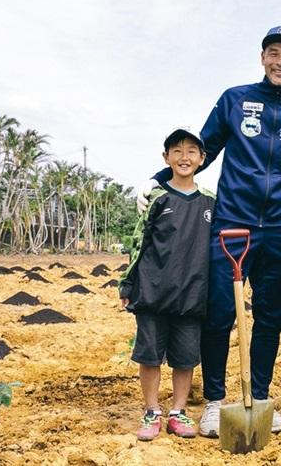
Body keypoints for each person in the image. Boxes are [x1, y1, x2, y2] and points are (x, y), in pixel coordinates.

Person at [136, 25, 281, 436]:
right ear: (262, 57)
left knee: (271, 318)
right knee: (219, 313)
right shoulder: (235, 99)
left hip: (277, 228)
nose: (280, 61)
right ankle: (216, 403)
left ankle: (258, 397)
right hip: (230, 224)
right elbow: (199, 152)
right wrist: (159, 182)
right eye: (273, 52)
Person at [119, 128, 215, 441]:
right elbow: (138, 243)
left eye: (191, 152)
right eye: (176, 151)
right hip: (153, 292)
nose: (183, 157)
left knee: (185, 358)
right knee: (149, 355)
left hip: (192, 294)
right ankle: (151, 411)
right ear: (166, 158)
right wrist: (127, 285)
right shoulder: (156, 199)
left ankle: (178, 411)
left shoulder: (211, 203)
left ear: (202, 159)